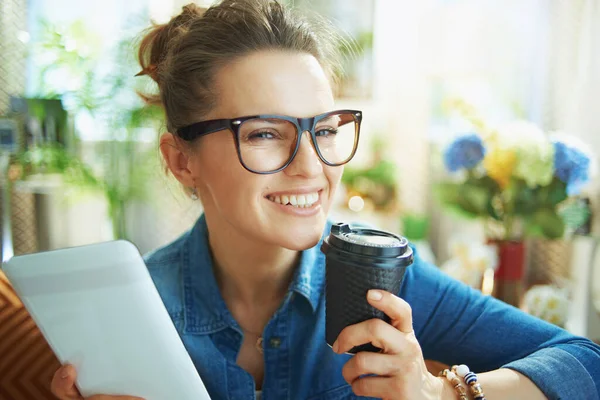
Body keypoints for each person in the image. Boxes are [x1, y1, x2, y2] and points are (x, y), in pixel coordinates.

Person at [51, 1, 600, 399]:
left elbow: (587, 362)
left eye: (325, 129)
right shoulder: (134, 315)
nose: (312, 166)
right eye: (265, 133)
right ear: (181, 160)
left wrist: (443, 395)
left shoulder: (384, 276)